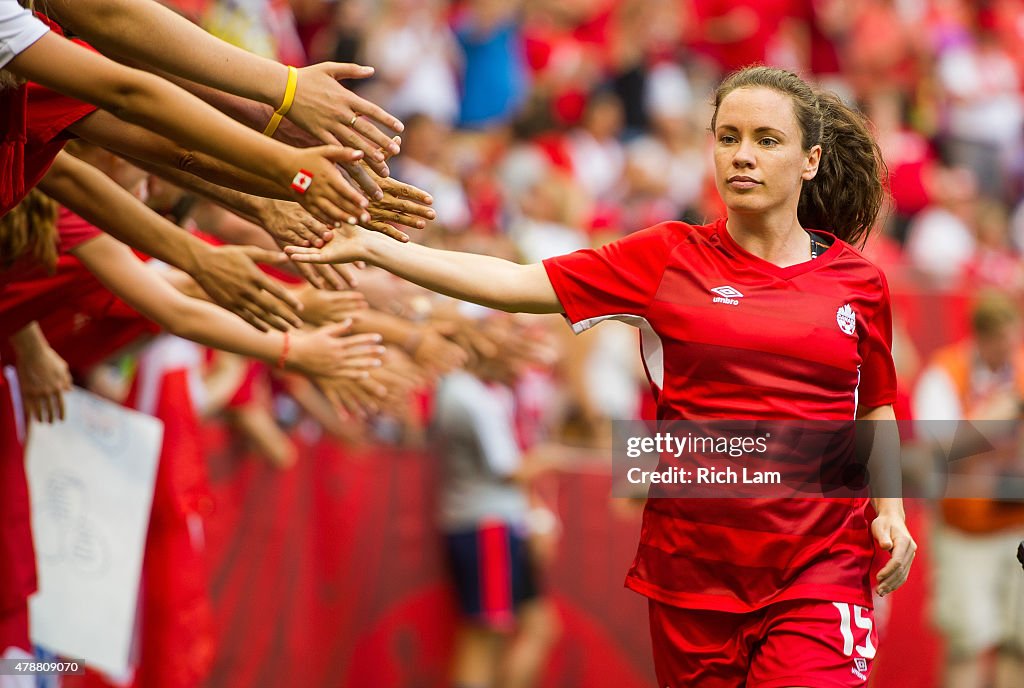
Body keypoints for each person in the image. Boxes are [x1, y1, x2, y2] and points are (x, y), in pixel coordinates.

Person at [287, 65, 917, 686]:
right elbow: (513, 284)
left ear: (809, 160)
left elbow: (876, 408)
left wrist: (890, 511)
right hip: (692, 572)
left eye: (766, 140)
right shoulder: (667, 256)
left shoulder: (858, 283)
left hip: (820, 568)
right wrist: (376, 247)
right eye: (728, 138)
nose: (742, 156)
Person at [913, 291, 1024, 688]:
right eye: (1002, 342)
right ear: (981, 337)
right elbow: (934, 451)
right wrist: (994, 418)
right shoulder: (945, 373)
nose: (1009, 351)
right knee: (966, 643)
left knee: (1019, 646)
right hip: (966, 531)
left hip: (1017, 527)